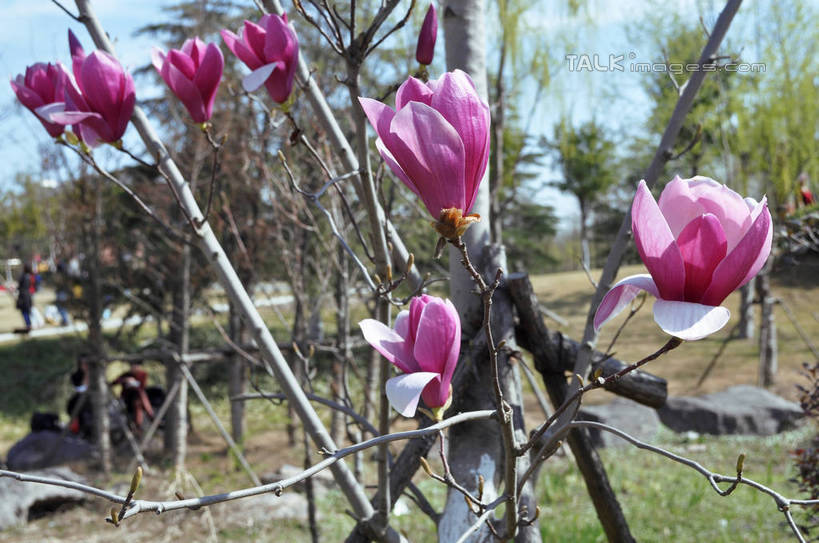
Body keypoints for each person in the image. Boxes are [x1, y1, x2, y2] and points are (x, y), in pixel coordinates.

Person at [15, 263, 35, 332]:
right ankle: (29, 324)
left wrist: (16, 289)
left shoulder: (23, 276)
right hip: (28, 295)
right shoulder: (29, 276)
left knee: (25, 311)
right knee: (27, 310)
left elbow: (19, 286)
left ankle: (28, 325)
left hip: (23, 296)